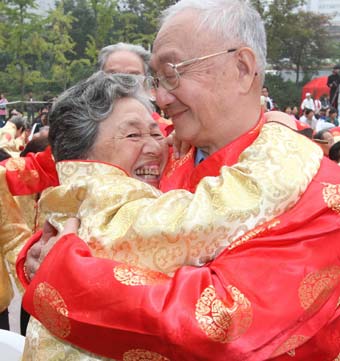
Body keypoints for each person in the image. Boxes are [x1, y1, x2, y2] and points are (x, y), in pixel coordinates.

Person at [15, 1, 340, 360]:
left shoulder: (320, 191)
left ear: (243, 68)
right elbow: (82, 195)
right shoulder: (165, 155)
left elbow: (219, 325)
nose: (159, 97)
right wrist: (36, 253)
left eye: (173, 73)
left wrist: (60, 271)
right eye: (155, 80)